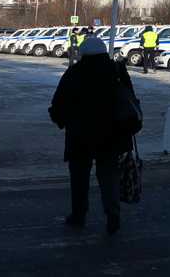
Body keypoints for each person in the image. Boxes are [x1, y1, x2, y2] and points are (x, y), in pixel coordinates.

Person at [48, 36, 135, 234]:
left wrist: (60, 120)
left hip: (80, 134)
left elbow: (59, 103)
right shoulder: (116, 70)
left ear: (83, 53)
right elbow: (129, 97)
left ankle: (79, 214)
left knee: (79, 175)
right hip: (111, 133)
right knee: (109, 173)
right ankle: (112, 212)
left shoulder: (74, 72)